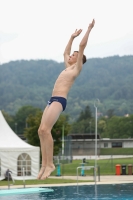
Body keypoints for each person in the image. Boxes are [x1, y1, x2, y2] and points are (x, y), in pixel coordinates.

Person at [37, 19, 95, 180]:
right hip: (52, 100)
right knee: (40, 131)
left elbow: (82, 48)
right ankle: (44, 164)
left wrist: (89, 29)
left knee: (46, 130)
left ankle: (50, 164)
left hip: (59, 101)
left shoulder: (76, 69)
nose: (70, 56)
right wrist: (71, 37)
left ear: (78, 60)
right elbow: (65, 52)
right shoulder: (67, 67)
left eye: (74, 56)